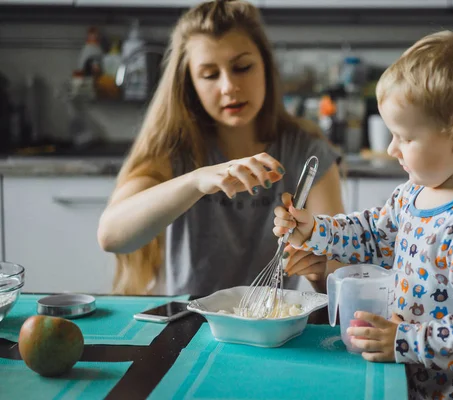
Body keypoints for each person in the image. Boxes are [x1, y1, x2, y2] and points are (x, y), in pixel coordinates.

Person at [273, 31, 453, 399]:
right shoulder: (413, 193)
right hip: (412, 384)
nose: (392, 148)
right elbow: (372, 235)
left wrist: (406, 340)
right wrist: (315, 228)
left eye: (404, 138)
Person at [97, 0, 344, 297]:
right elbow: (111, 236)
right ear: (189, 84)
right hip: (189, 326)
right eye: (210, 75)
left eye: (242, 67)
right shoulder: (175, 150)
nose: (228, 86)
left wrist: (319, 276)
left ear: (266, 66)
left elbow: (337, 272)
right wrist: (196, 180)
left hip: (270, 326)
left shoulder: (305, 151)